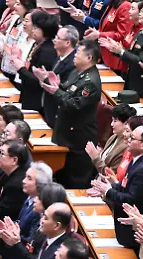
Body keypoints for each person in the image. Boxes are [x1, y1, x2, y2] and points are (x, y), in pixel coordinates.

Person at [92, 124, 143, 249]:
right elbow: (126, 186)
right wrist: (113, 186)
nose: (128, 139)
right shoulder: (137, 160)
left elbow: (131, 200)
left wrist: (108, 191)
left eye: (132, 138)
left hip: (131, 229)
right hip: (122, 224)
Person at [46, 39, 102, 188]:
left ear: (89, 58)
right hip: (67, 133)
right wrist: (56, 85)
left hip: (78, 139)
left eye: (78, 52)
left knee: (74, 181)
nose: (75, 55)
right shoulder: (77, 72)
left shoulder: (91, 82)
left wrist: (56, 91)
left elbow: (74, 104)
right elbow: (68, 89)